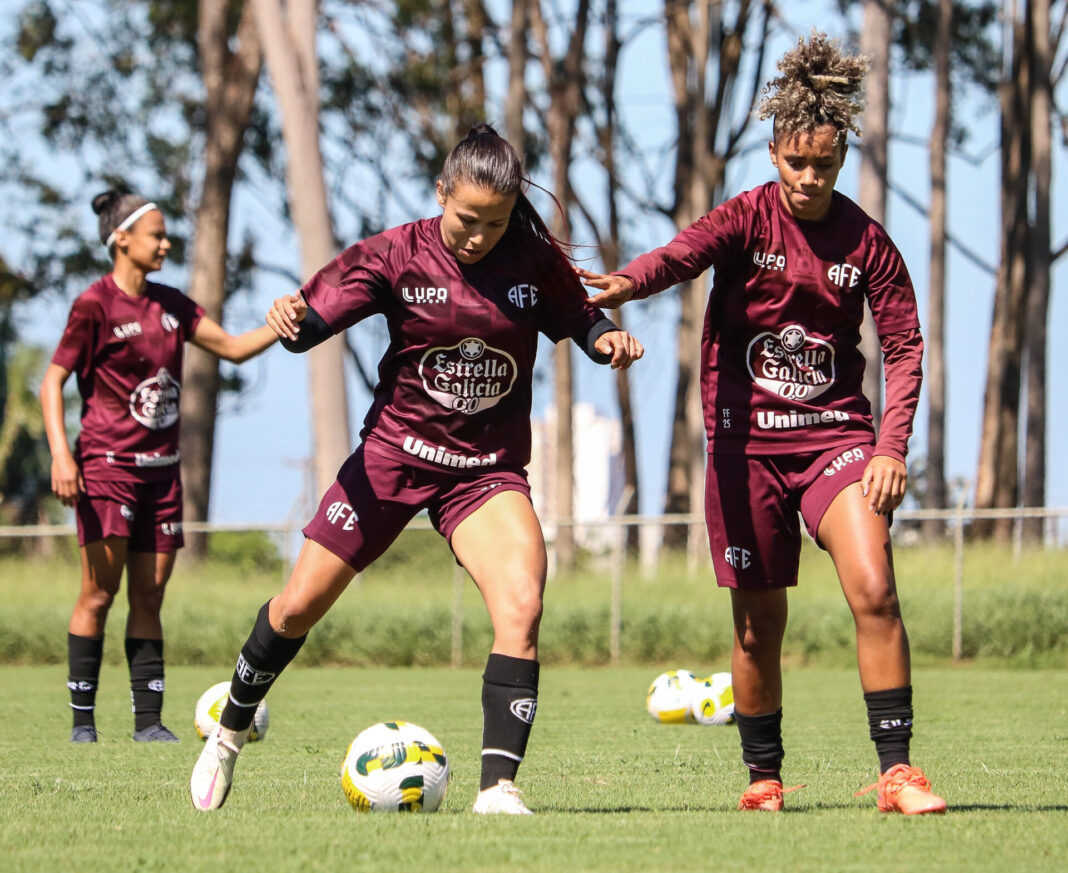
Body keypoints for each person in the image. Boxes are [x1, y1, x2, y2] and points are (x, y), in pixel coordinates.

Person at [189, 124, 644, 814]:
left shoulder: (530, 258)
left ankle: (497, 789)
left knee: (522, 603)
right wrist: (291, 320)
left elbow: (578, 315)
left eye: (493, 223)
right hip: (393, 456)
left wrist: (605, 337)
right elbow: (315, 317)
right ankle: (227, 733)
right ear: (440, 194)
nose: (477, 236)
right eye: (466, 219)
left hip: (484, 472)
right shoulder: (397, 253)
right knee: (296, 607)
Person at [578, 32, 945, 815]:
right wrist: (625, 283)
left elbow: (906, 343)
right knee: (757, 624)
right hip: (746, 451)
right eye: (797, 163)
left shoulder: (866, 243)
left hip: (837, 442)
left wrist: (890, 446)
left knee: (876, 588)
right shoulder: (745, 219)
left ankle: (898, 773)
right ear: (775, 151)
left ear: (842, 159)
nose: (810, 179)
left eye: (826, 165)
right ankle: (764, 778)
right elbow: (681, 254)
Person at [41, 190, 279, 743]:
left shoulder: (171, 304)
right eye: (157, 234)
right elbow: (52, 380)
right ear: (121, 239)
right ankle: (83, 725)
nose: (167, 243)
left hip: (162, 475)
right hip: (106, 469)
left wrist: (293, 320)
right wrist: (60, 454)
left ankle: (148, 724)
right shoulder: (94, 305)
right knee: (97, 595)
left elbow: (236, 348)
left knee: (149, 598)